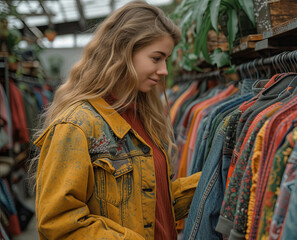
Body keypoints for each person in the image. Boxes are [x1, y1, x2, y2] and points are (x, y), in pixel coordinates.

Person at [30, 1, 201, 239]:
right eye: (156, 58)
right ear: (124, 51)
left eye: (166, 59)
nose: (164, 70)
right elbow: (58, 222)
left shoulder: (143, 116)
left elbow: (152, 202)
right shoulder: (77, 125)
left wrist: (213, 179)